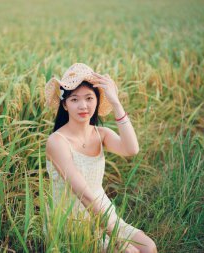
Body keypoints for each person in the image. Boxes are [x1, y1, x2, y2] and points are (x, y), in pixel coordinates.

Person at [44, 63, 157, 253]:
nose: (83, 106)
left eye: (89, 98)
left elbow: (131, 149)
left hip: (102, 211)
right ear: (65, 104)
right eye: (74, 99)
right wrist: (116, 238)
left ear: (97, 101)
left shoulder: (101, 134)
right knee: (130, 252)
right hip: (71, 219)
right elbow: (84, 195)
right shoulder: (57, 141)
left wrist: (116, 103)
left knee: (149, 247)